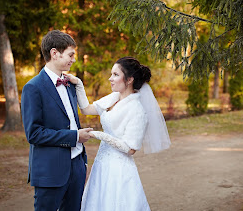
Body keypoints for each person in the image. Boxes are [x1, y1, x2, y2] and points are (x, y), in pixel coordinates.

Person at [65, 57, 171, 211]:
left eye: (115, 74)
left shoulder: (137, 110)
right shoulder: (114, 98)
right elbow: (87, 109)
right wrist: (79, 84)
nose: (110, 78)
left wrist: (98, 135)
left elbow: (130, 149)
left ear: (129, 80)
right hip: (102, 165)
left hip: (119, 169)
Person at [21, 30, 93, 211]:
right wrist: (74, 136)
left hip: (76, 166)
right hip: (50, 170)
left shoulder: (70, 84)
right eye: (70, 54)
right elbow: (34, 134)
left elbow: (70, 120)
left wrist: (82, 164)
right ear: (54, 53)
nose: (73, 59)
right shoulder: (33, 88)